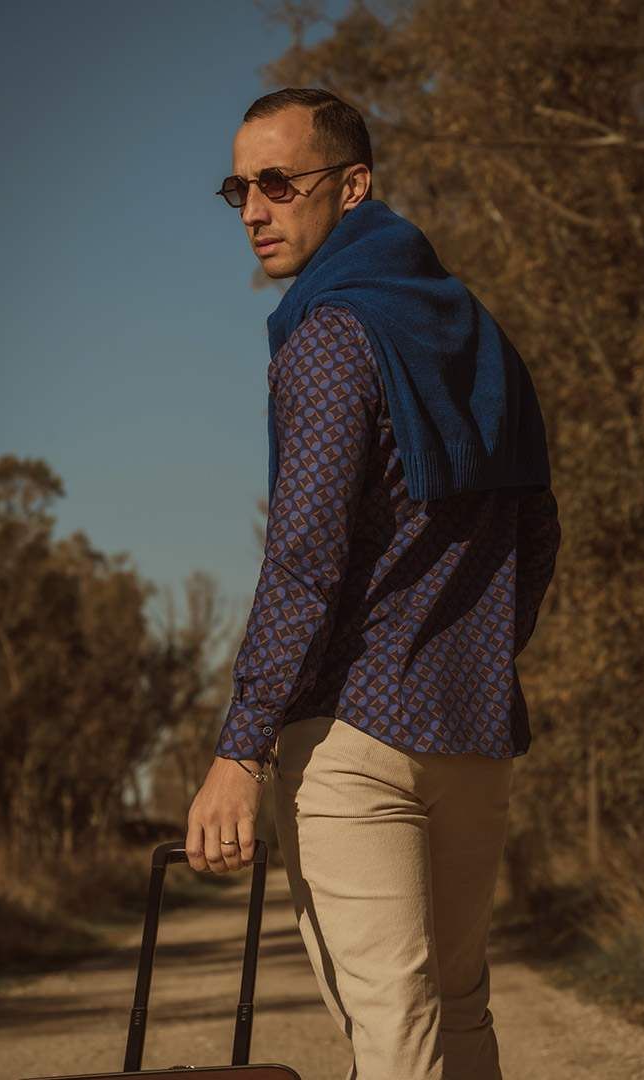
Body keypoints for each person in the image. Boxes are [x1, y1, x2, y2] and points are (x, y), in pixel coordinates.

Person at [185, 87, 562, 1080]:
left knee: (394, 1026)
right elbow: (537, 532)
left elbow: (302, 560)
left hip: (351, 744)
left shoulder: (329, 337)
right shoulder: (480, 338)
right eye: (239, 189)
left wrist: (240, 748)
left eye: (278, 183)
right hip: (471, 735)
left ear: (352, 186)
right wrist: (473, 651)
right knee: (459, 1009)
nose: (254, 210)